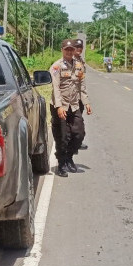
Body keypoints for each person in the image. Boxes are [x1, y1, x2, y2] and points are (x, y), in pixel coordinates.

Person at [49, 39, 86, 177]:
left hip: (74, 104)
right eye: (67, 49)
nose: (69, 52)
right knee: (63, 137)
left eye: (71, 49)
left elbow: (82, 85)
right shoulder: (56, 67)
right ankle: (61, 164)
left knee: (79, 133)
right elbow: (55, 88)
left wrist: (86, 103)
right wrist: (59, 107)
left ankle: (69, 156)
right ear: (62, 50)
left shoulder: (78, 65)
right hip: (61, 105)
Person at [73, 38, 92, 151]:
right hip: (71, 97)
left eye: (80, 47)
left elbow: (82, 83)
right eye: (77, 47)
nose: (79, 49)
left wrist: (86, 101)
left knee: (78, 121)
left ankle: (77, 142)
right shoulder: (70, 60)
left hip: (80, 96)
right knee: (74, 122)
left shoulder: (81, 60)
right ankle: (72, 145)